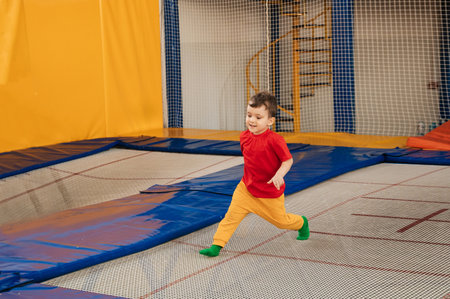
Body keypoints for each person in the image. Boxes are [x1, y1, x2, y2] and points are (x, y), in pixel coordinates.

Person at [199, 91, 309, 257]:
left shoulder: (275, 140)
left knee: (281, 222)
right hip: (246, 189)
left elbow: (288, 161)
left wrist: (279, 174)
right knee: (231, 217)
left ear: (270, 121)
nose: (251, 120)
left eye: (258, 117)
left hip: (269, 193)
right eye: (249, 115)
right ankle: (216, 246)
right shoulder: (244, 137)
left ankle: (301, 223)